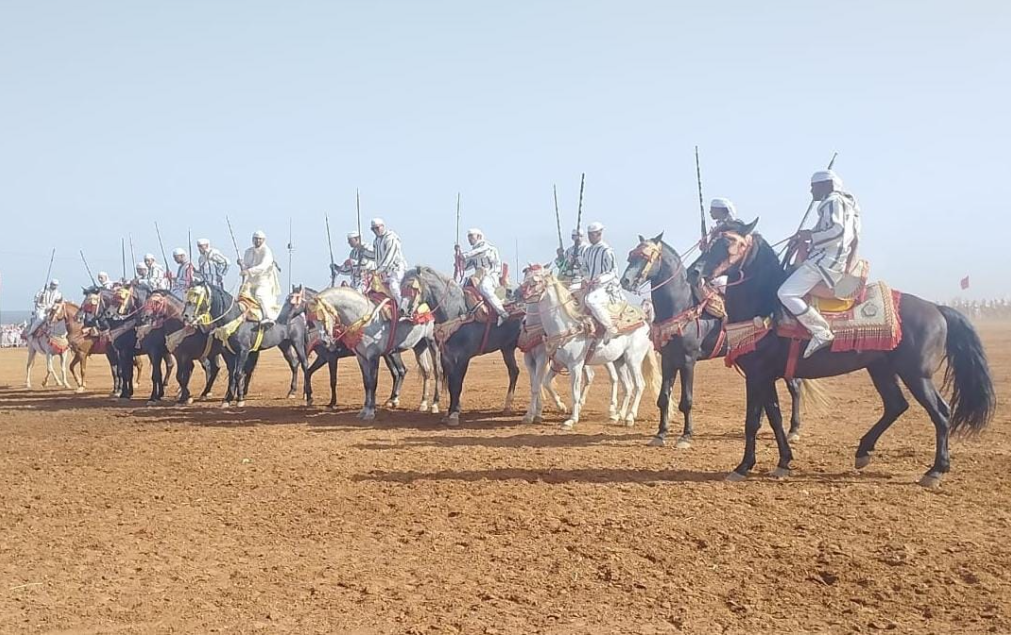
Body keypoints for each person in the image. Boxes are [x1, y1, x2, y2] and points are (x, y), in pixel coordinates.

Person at [777, 169, 862, 358]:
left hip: (825, 262)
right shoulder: (846, 204)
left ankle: (820, 331)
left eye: (813, 186)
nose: (811, 191)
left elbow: (837, 232)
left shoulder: (832, 201)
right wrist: (807, 236)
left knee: (785, 293)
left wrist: (811, 236)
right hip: (829, 258)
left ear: (827, 185)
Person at [456, 228, 508, 324]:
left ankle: (502, 313)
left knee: (485, 287)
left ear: (479, 236)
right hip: (478, 276)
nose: (469, 238)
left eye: (471, 236)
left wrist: (464, 256)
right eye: (468, 236)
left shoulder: (487, 248)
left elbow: (477, 253)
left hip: (491, 274)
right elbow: (466, 266)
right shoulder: (473, 252)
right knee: (462, 287)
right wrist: (458, 259)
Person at [581, 222, 622, 341]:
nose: (589, 237)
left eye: (592, 234)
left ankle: (610, 328)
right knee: (569, 291)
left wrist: (600, 279)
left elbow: (613, 271)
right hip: (590, 285)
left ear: (599, 234)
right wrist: (585, 278)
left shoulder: (607, 251)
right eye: (589, 234)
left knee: (590, 300)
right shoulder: (588, 251)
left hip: (606, 288)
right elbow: (584, 268)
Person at [239, 230, 281, 324]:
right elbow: (247, 265)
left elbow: (263, 267)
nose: (257, 241)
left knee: (259, 295)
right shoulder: (248, 251)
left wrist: (248, 271)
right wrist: (242, 265)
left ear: (263, 240)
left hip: (263, 281)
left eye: (259, 239)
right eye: (256, 239)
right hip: (250, 281)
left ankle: (268, 318)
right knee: (241, 295)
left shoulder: (267, 251)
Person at [370, 218, 408, 311]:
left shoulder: (390, 238)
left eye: (377, 228)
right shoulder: (376, 241)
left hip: (397, 269)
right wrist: (361, 249)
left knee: (393, 286)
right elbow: (375, 256)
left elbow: (389, 257)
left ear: (383, 226)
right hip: (386, 272)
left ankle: (405, 309)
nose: (376, 230)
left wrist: (377, 271)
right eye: (373, 229)